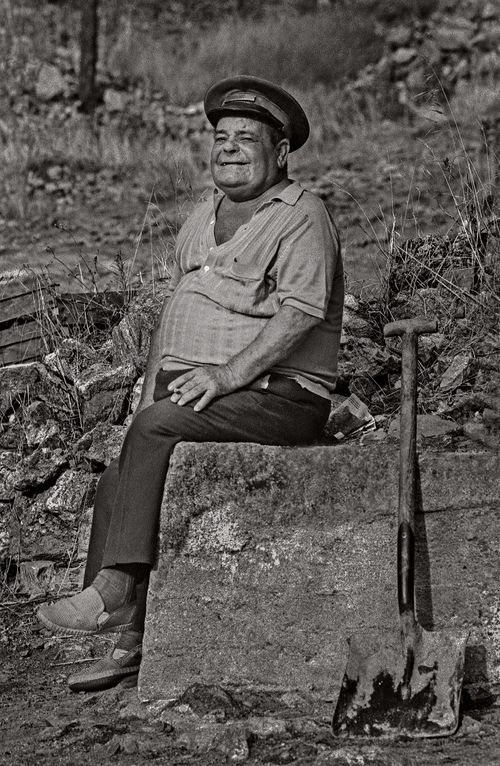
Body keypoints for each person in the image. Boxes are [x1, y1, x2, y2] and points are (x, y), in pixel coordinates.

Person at [37, 75, 344, 692]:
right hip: (215, 392)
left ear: (281, 151)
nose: (229, 148)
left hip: (280, 398)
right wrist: (151, 392)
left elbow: (300, 315)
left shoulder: (301, 216)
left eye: (247, 139)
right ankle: (129, 642)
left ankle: (116, 591)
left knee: (156, 427)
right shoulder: (203, 213)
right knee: (124, 470)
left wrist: (227, 374)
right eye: (221, 137)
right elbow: (176, 316)